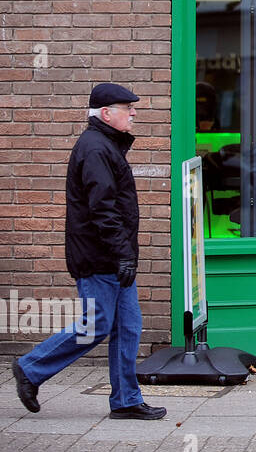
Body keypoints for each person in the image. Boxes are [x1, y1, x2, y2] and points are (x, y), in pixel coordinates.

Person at [12, 83, 166, 421]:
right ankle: (30, 367)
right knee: (96, 326)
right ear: (107, 114)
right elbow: (103, 209)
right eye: (128, 107)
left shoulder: (106, 145)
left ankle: (126, 400)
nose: (134, 112)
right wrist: (123, 253)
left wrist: (124, 255)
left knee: (128, 329)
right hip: (100, 258)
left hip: (114, 257)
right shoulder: (96, 148)